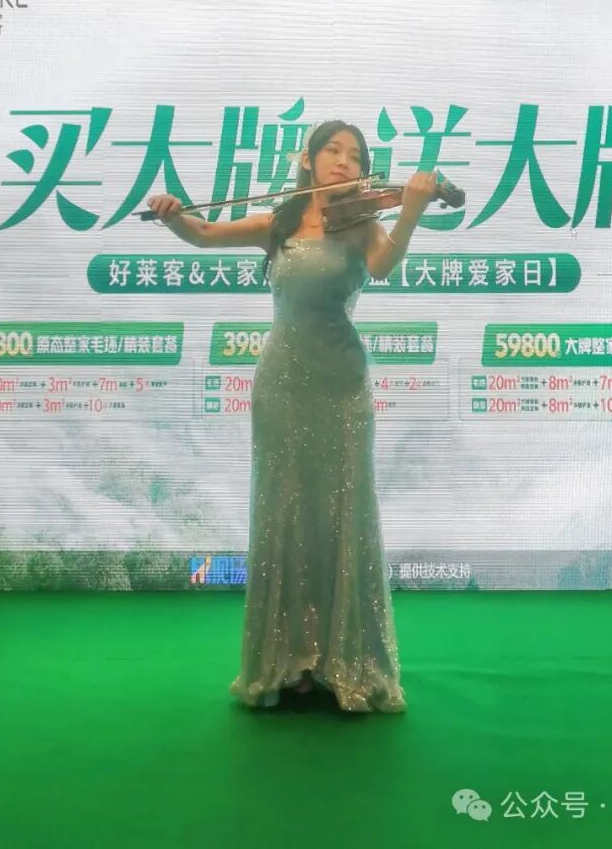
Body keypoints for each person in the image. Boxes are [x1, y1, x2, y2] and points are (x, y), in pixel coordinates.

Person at [146, 120, 437, 713]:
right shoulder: (277, 224)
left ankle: (342, 660)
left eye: (355, 156)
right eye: (333, 150)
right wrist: (173, 214)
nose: (344, 161)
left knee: (343, 513)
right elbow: (203, 233)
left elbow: (384, 266)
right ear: (307, 159)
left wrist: (410, 210)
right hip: (280, 383)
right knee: (285, 510)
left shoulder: (362, 224)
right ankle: (290, 658)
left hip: (342, 384)